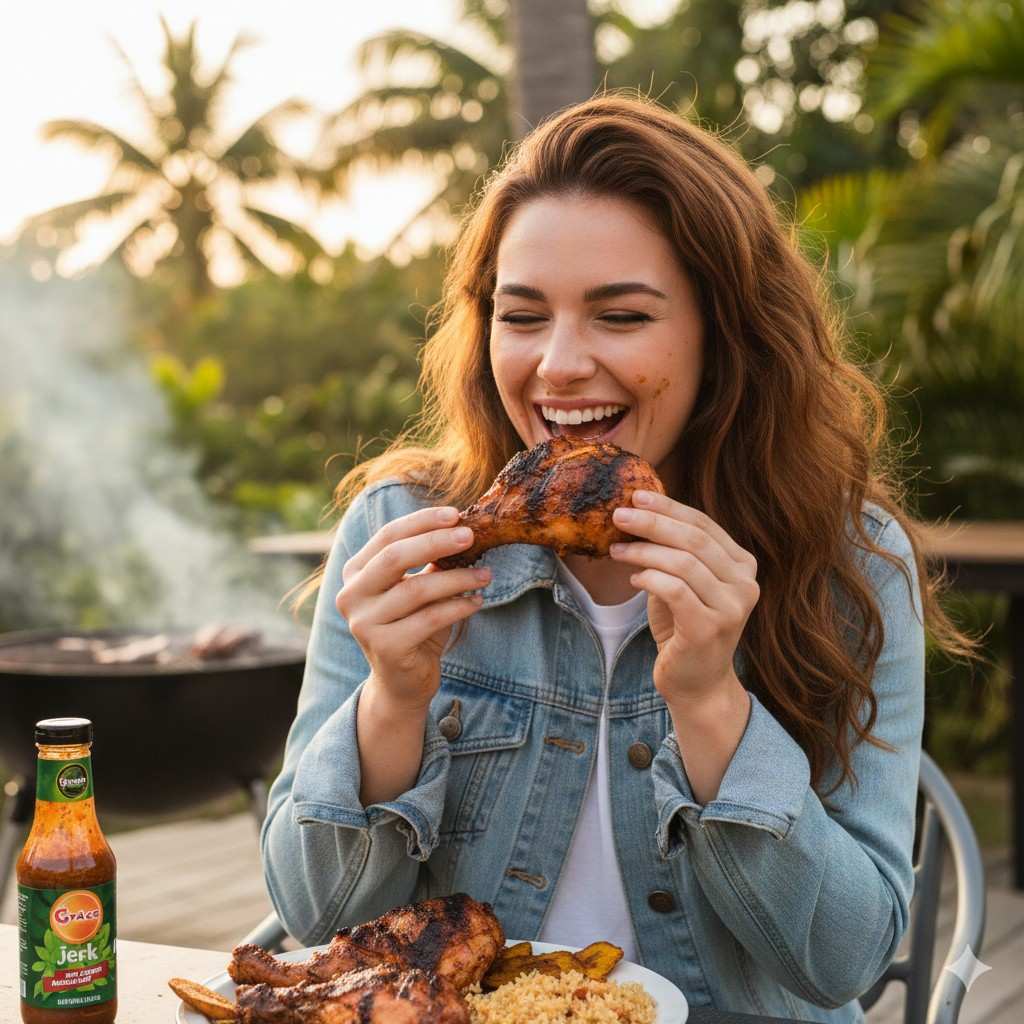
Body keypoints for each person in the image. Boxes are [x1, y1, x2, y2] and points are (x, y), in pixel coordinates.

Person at [261, 95, 977, 1022]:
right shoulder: (402, 536)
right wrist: (392, 702)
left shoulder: (844, 562)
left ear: (725, 335)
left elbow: (843, 961)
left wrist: (713, 702)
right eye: (523, 316)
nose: (558, 364)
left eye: (622, 316)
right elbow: (312, 913)